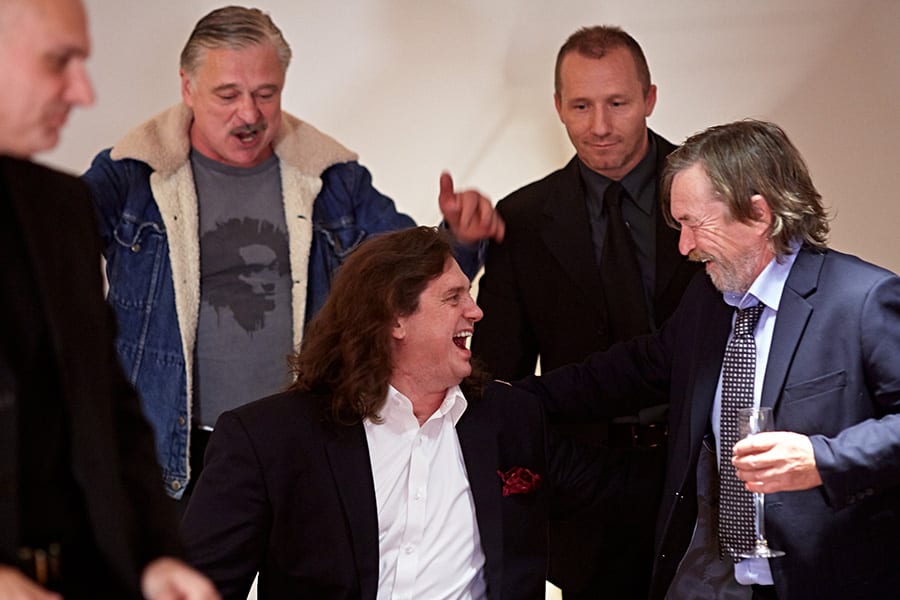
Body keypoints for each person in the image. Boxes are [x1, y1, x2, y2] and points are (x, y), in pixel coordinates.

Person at [82, 6, 503, 505]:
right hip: (167, 455)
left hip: (302, 438)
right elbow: (44, 259)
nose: (249, 114)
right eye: (227, 95)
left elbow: (410, 278)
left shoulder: (333, 179)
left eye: (266, 94)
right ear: (187, 87)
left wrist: (461, 236)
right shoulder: (131, 174)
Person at [520, 120, 900, 599]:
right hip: (712, 581)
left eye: (694, 224)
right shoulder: (708, 301)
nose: (684, 246)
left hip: (826, 581)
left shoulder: (862, 299)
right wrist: (513, 399)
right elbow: (632, 370)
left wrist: (823, 459)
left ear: (759, 214)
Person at [180, 226, 624, 599]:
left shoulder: (510, 418)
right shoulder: (266, 438)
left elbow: (622, 490)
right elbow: (198, 589)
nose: (476, 311)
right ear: (395, 318)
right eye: (454, 297)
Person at [0, 0, 219, 597]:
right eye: (59, 61)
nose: (84, 93)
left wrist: (155, 557)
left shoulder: (63, 206)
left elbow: (109, 407)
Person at [471, 25, 699, 598]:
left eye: (617, 103)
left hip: (705, 475)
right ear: (558, 107)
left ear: (649, 98)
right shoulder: (523, 218)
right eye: (581, 106)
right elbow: (498, 374)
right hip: (581, 497)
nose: (599, 126)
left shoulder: (711, 192)